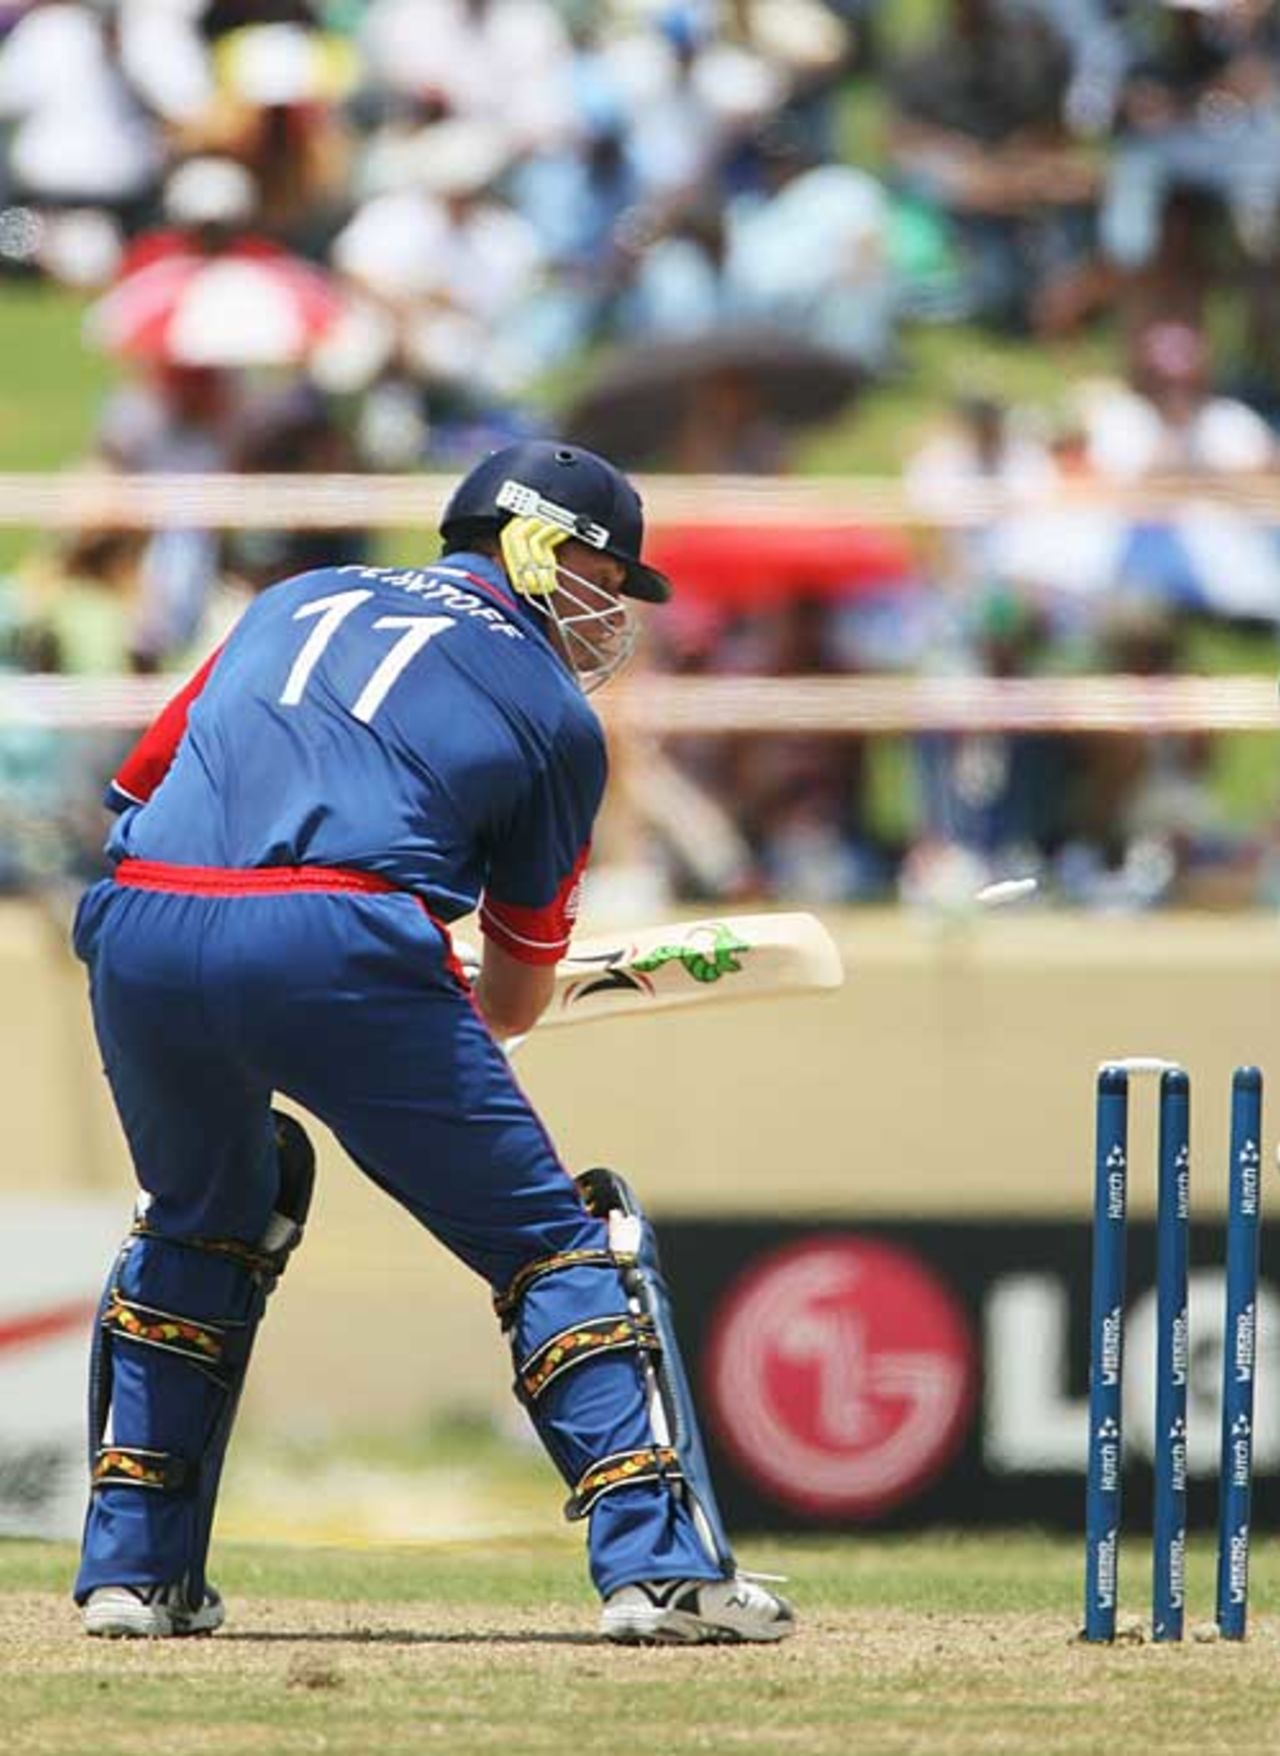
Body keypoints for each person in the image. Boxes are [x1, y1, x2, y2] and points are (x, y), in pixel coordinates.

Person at [70, 438, 794, 1648]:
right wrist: (385, 950)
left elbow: (142, 791)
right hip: (342, 942)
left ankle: (132, 1578)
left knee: (204, 1222)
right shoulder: (554, 713)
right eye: (606, 575)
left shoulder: (294, 598)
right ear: (539, 547)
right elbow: (512, 1000)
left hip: (138, 925)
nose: (613, 608)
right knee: (559, 1245)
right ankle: (660, 1572)